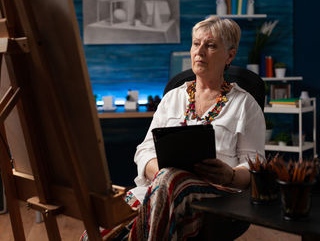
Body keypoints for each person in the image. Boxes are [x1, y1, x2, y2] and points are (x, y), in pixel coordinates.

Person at [81, 16, 265, 241]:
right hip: (161, 188)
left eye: (211, 45)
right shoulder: (172, 98)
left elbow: (256, 166)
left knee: (171, 180)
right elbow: (144, 150)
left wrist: (231, 175)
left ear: (230, 55)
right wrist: (160, 172)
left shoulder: (245, 105)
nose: (200, 51)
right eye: (196, 44)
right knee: (100, 227)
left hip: (217, 193)